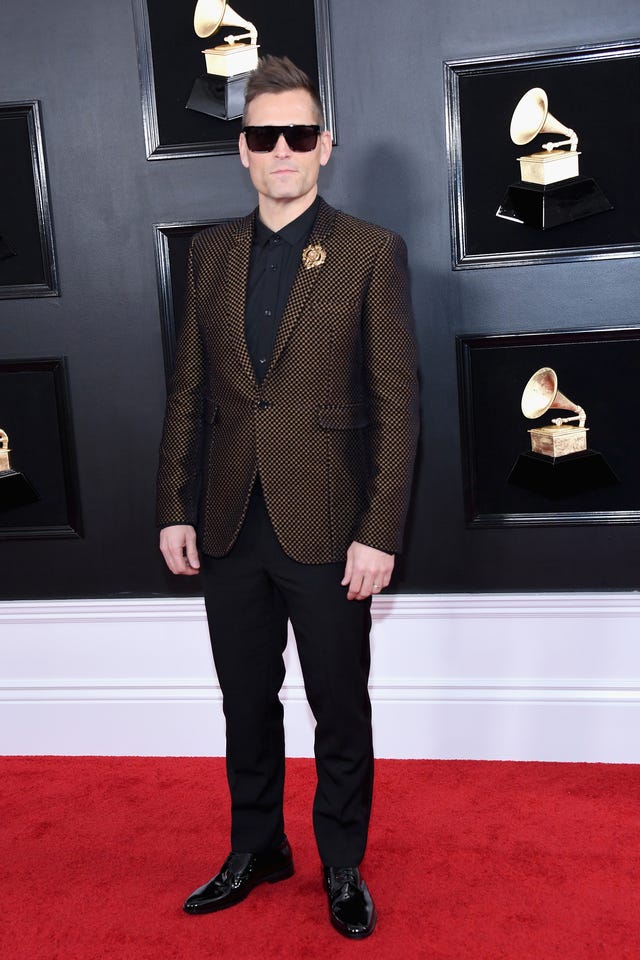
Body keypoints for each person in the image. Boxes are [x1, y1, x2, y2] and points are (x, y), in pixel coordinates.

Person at [156, 55, 419, 940]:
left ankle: (341, 861)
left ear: (323, 145)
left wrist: (380, 530)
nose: (282, 149)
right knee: (245, 699)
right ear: (242, 148)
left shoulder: (370, 252)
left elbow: (398, 404)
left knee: (338, 704)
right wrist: (173, 504)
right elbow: (188, 390)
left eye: (298, 134)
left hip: (332, 526)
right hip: (229, 519)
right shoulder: (210, 254)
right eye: (265, 135)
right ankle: (258, 846)